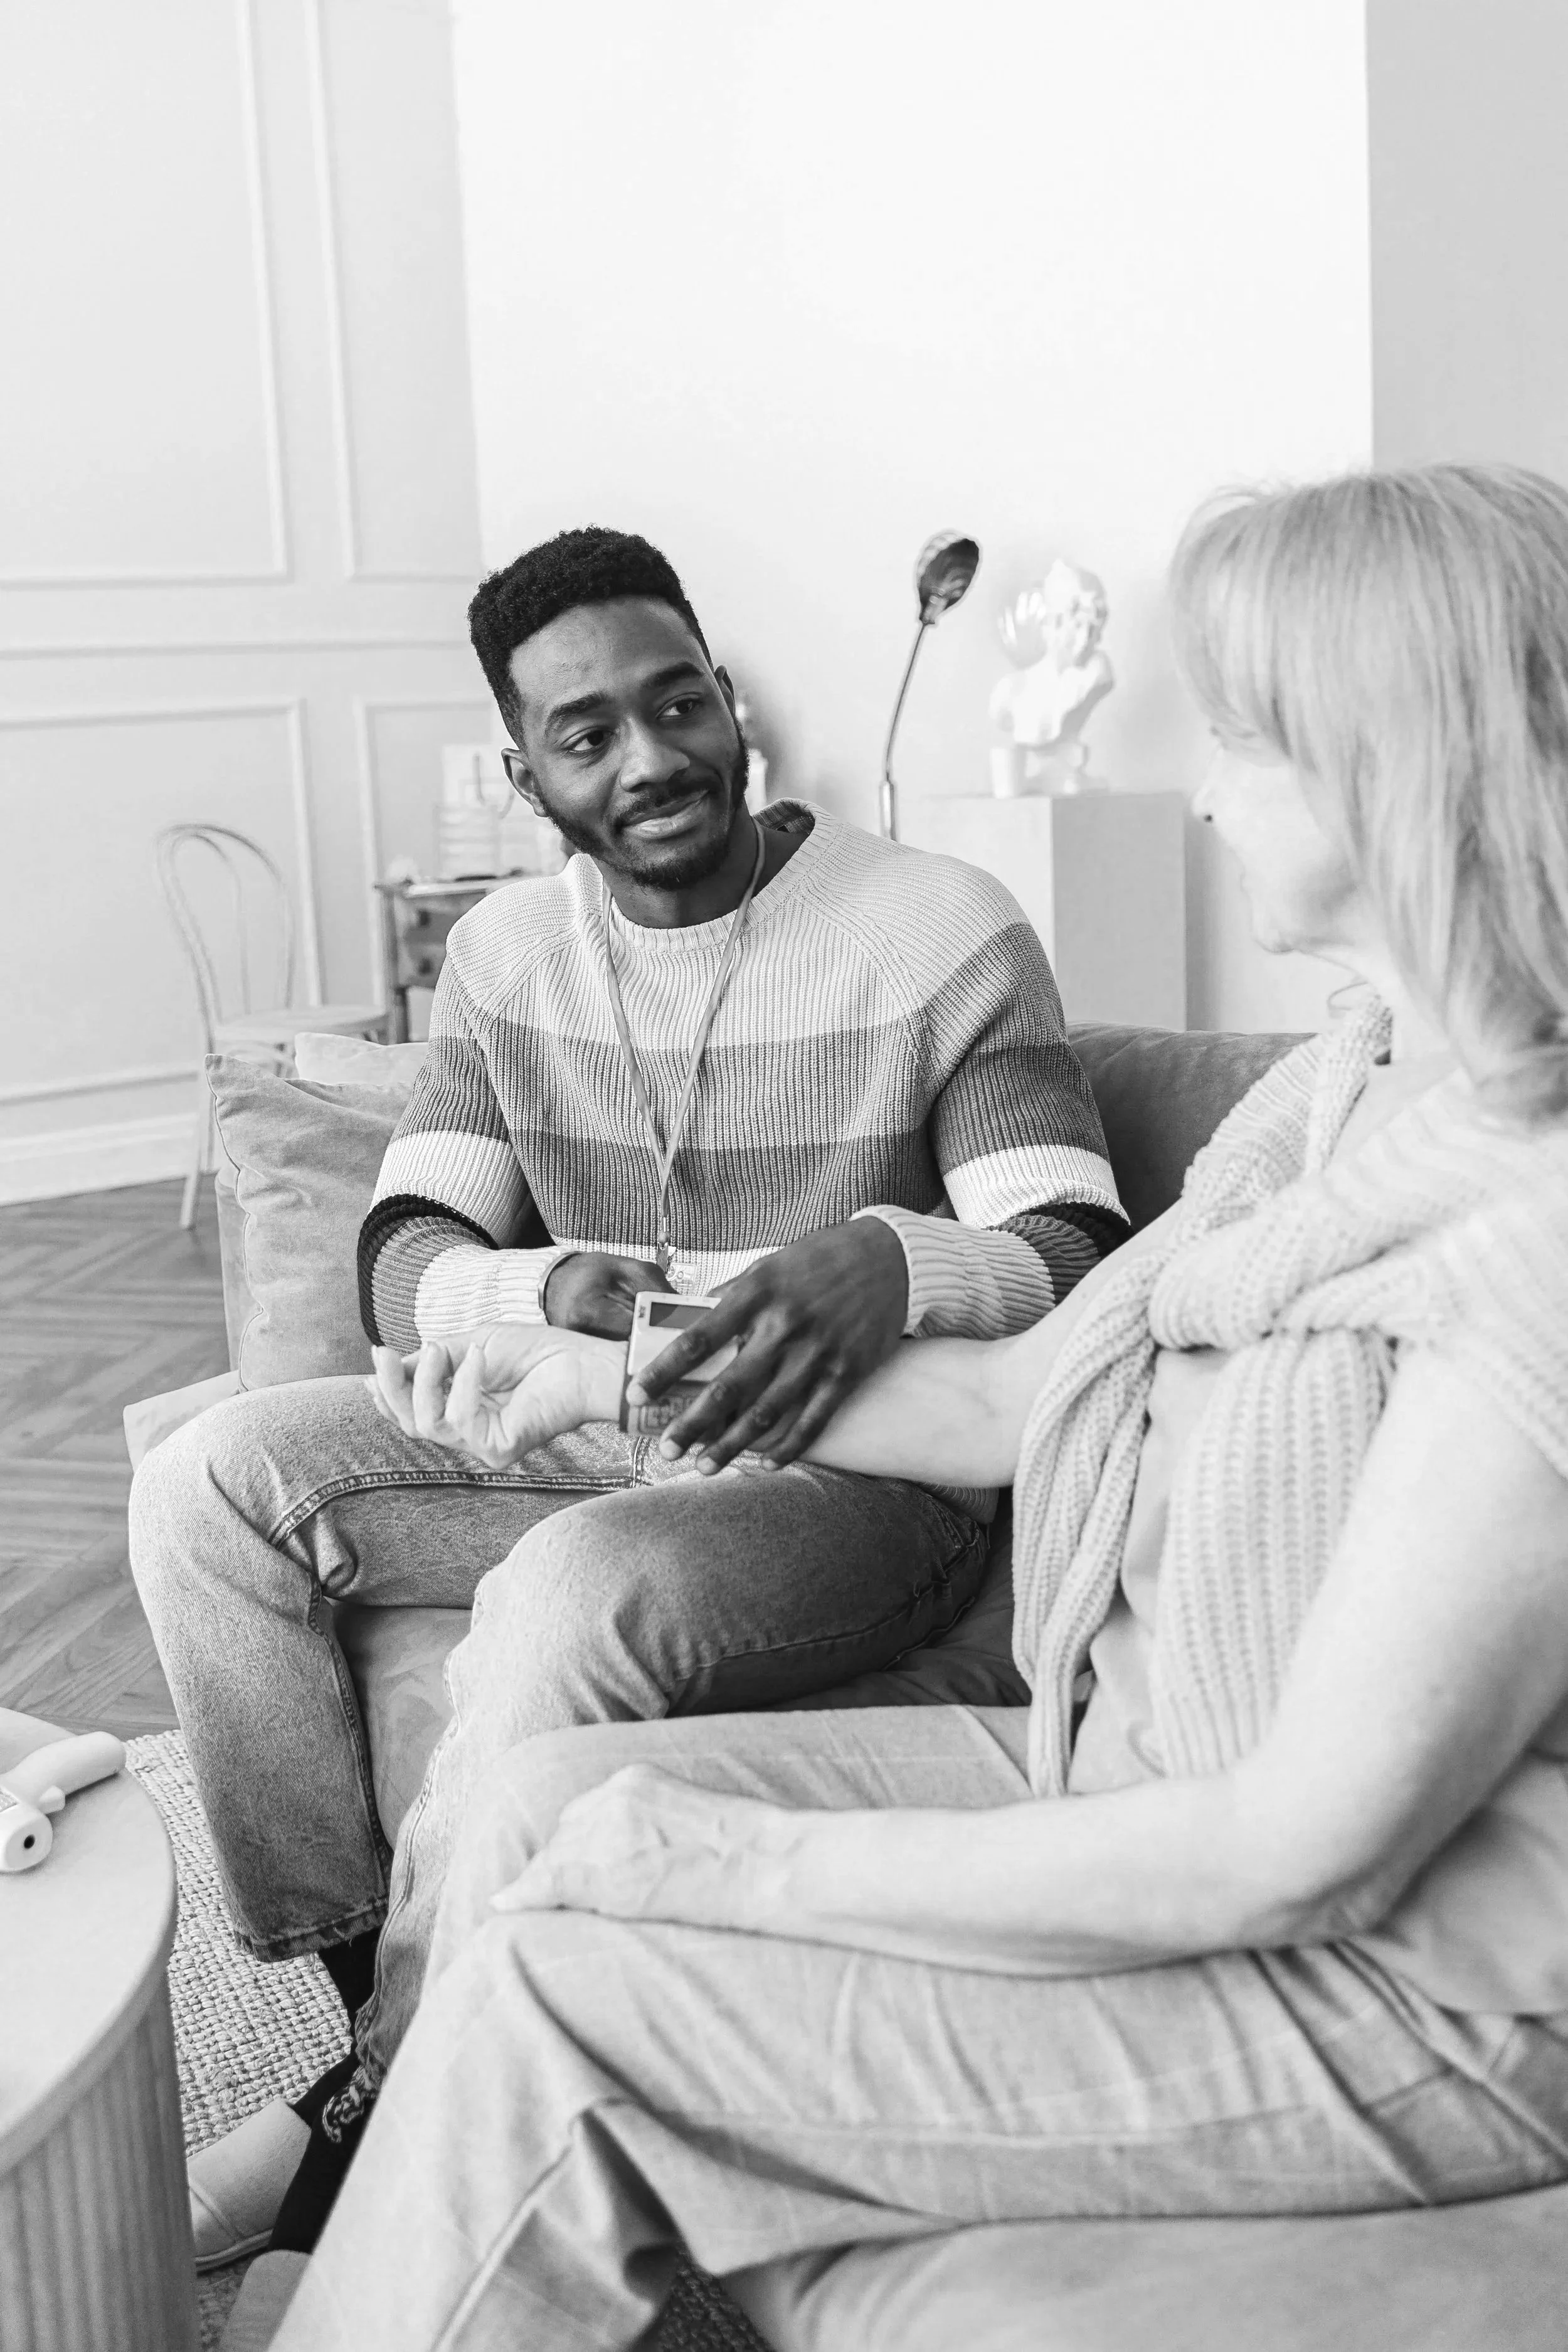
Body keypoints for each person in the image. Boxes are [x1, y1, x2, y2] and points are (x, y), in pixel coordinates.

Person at [270, 464, 1568, 2352]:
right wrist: (613, 1370)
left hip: (1392, 1986)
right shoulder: (1336, 1086)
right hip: (1128, 1773)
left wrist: (739, 1859)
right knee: (546, 1798)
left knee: (570, 1986)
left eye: (1237, 741)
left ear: (1387, 767)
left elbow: (1302, 1845)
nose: (1199, 790)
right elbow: (1035, 1392)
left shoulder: (1527, 1244)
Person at [129, 526, 1125, 2256]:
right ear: (528, 772)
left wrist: (894, 1257)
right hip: (571, 1415)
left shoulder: (942, 926)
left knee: (571, 1589)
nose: (650, 757)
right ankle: (381, 2016)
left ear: (726, 700)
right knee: (203, 1484)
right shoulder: (510, 957)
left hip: (853, 1480)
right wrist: (557, 1288)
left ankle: (364, 2126)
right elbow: (404, 1253)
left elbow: (1070, 1238)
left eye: (677, 703)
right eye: (587, 734)